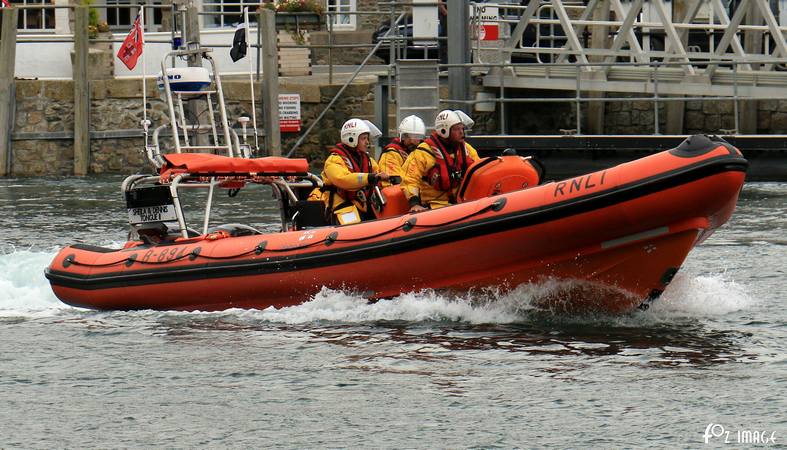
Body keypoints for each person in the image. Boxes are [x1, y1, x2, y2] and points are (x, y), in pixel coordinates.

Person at [401, 109, 479, 212]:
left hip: (463, 203)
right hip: (436, 206)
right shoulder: (424, 152)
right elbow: (409, 179)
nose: (461, 132)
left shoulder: (466, 150)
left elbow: (480, 169)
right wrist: (414, 204)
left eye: (462, 128)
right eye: (456, 129)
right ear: (444, 130)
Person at [320, 118, 390, 225]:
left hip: (363, 205)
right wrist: (370, 178)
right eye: (363, 138)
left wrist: (390, 180)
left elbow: (379, 175)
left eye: (367, 139)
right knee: (353, 225)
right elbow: (342, 179)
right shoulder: (334, 160)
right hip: (342, 205)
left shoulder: (367, 160)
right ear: (351, 138)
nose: (367, 142)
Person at [378, 115, 426, 186]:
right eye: (408, 136)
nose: (412, 141)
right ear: (402, 136)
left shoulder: (424, 153)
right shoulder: (391, 153)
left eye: (416, 137)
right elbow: (392, 182)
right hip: (400, 193)